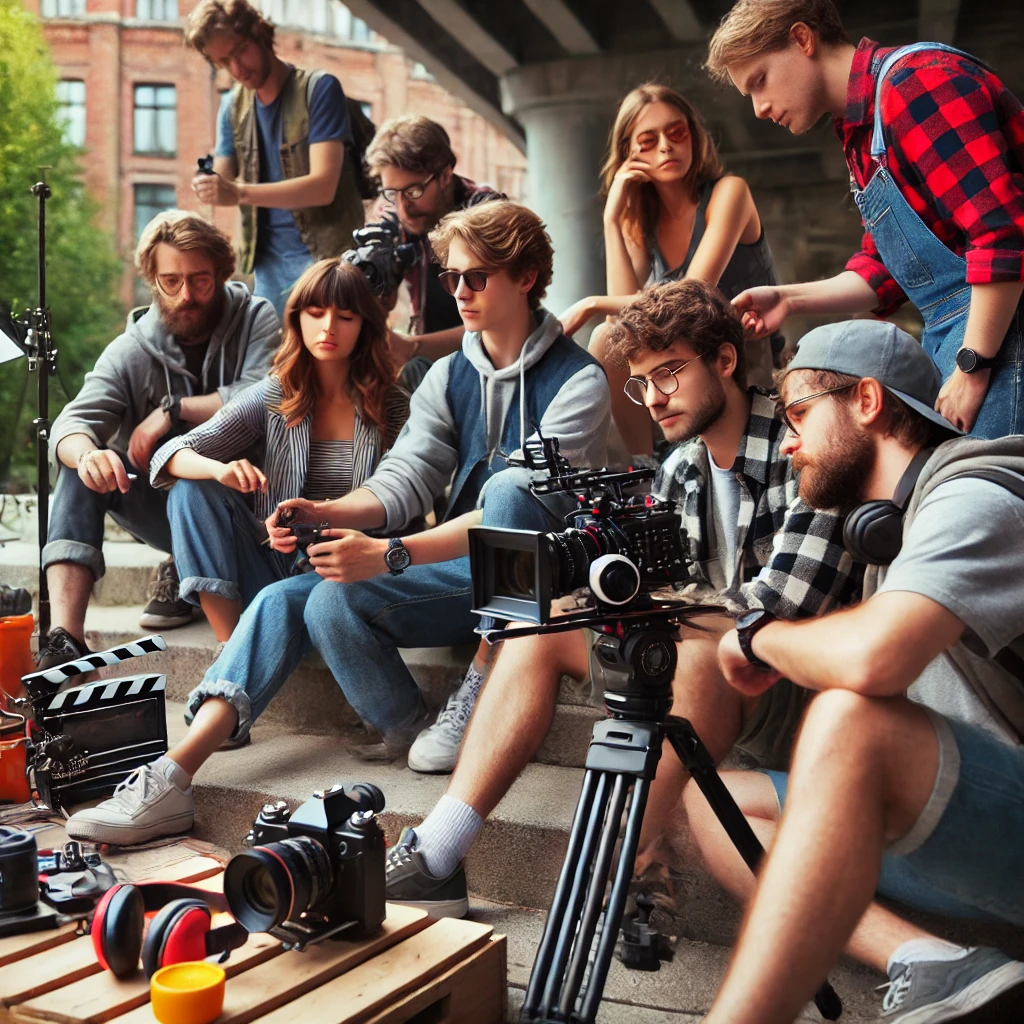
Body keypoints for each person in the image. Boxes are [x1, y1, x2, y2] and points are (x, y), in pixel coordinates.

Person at [63, 199, 611, 846]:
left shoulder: (579, 380)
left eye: (476, 277)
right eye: (451, 277)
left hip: (539, 583)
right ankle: (174, 774)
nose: (458, 291)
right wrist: (322, 513)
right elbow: (402, 482)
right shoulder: (447, 376)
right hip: (451, 570)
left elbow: (503, 512)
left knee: (514, 488)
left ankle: (484, 685)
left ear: (524, 278)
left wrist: (391, 555)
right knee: (312, 599)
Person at [383, 279, 860, 920]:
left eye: (669, 374)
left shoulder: (801, 446)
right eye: (640, 382)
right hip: (706, 659)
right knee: (544, 623)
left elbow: (776, 612)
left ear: (724, 361)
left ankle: (622, 861)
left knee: (690, 654)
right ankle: (438, 854)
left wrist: (652, 607)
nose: (654, 399)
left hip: (789, 685)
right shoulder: (680, 466)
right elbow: (664, 591)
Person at [697, 319, 1024, 1024]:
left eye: (799, 415)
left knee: (853, 721)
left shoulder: (976, 498)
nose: (787, 442)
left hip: (1005, 805)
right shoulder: (882, 529)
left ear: (868, 402)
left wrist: (762, 644)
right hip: (957, 815)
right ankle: (930, 959)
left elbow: (878, 656)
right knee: (712, 798)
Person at [706, 0, 1024, 439]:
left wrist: (972, 367)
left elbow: (1003, 236)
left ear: (803, 40)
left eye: (760, 81)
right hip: (969, 342)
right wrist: (790, 299)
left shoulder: (916, 84)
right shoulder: (861, 132)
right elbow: (886, 269)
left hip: (1001, 339)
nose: (759, 108)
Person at [38, 211, 278, 670]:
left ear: (222, 274)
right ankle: (64, 640)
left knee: (194, 486)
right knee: (80, 465)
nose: (186, 295)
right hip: (167, 507)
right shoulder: (131, 349)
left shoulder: (255, 318)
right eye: (170, 281)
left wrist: (172, 410)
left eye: (201, 281)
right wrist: (88, 455)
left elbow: (264, 392)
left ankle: (187, 571)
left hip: (251, 508)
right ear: (152, 279)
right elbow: (72, 423)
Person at [149, 258, 408, 643]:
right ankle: (231, 646)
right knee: (191, 488)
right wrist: (219, 470)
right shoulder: (273, 395)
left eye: (346, 316)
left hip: (352, 575)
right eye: (316, 313)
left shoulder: (394, 407)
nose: (329, 328)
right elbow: (171, 454)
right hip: (272, 565)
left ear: (365, 327)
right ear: (297, 319)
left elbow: (409, 501)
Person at [558, 83, 785, 458]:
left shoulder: (729, 192)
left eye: (676, 132)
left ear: (693, 136)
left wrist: (590, 302)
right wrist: (612, 218)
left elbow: (691, 297)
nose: (665, 146)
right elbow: (623, 325)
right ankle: (645, 468)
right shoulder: (641, 219)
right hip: (677, 358)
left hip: (741, 352)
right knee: (606, 337)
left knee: (603, 325)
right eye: (647, 141)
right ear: (628, 154)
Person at [185, 0, 364, 318]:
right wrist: (210, 183)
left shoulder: (319, 90)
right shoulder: (232, 107)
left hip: (326, 261)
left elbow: (323, 187)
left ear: (258, 32)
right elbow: (223, 178)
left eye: (240, 51)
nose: (237, 69)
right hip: (265, 267)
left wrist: (238, 192)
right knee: (271, 365)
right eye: (224, 62)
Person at [364, 116, 502, 384]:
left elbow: (497, 325)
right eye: (392, 192)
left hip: (492, 364)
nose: (403, 207)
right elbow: (380, 304)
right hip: (431, 364)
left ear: (446, 175)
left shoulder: (486, 211)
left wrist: (411, 347)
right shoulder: (389, 214)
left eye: (414, 191)